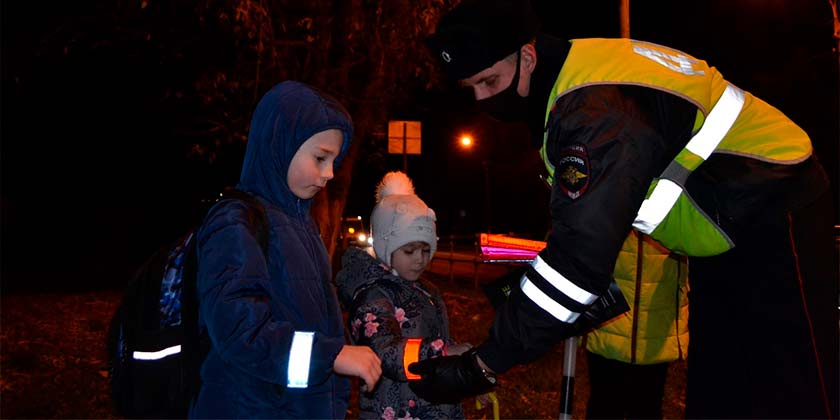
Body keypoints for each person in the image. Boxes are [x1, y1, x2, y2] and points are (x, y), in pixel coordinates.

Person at [408, 0, 839, 418]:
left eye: (489, 81)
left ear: (527, 55)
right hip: (731, 227)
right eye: (471, 90)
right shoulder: (576, 82)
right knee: (726, 387)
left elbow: (577, 260)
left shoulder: (594, 112)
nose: (483, 99)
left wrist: (483, 365)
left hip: (776, 208)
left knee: (794, 385)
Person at [189, 80, 382, 419]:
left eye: (334, 161)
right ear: (279, 145)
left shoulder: (301, 225)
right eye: (320, 157)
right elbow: (240, 333)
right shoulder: (236, 221)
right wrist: (332, 355)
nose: (329, 174)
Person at [336, 171, 469, 420]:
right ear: (386, 247)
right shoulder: (372, 295)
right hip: (395, 411)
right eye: (409, 251)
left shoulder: (426, 290)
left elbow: (436, 338)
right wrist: (442, 353)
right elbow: (384, 353)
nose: (420, 259)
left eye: (426, 250)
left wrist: (466, 375)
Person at [583, 230, 688, 419]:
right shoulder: (607, 200)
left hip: (656, 322)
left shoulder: (677, 202)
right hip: (609, 316)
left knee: (646, 405)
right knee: (605, 403)